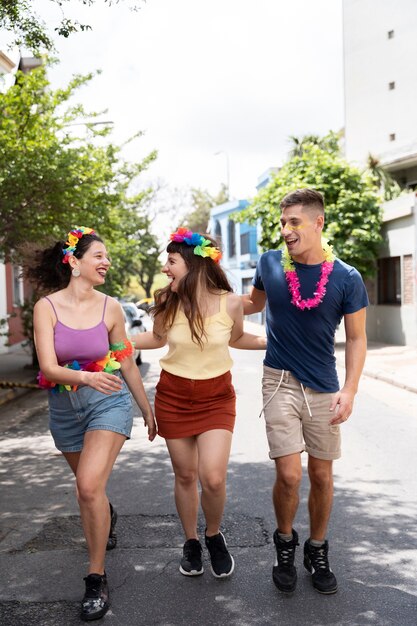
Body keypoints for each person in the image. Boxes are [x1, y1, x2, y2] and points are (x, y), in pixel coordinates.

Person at [26, 226, 156, 622]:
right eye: (98, 255)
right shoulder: (46, 308)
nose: (106, 262)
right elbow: (49, 367)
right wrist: (83, 377)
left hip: (108, 402)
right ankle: (105, 512)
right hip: (65, 409)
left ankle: (96, 577)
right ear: (74, 262)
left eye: (107, 256)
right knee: (91, 491)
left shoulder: (111, 307)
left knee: (86, 486)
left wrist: (146, 408)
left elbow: (127, 360)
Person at [242, 189, 368, 595]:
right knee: (289, 474)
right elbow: (250, 304)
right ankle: (284, 543)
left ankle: (317, 548)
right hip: (278, 379)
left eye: (294, 222)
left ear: (318, 223)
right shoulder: (269, 264)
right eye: (282, 223)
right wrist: (201, 295)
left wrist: (349, 390)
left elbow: (358, 339)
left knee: (322, 475)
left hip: (324, 387)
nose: (286, 230)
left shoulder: (347, 278)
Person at [135, 227, 266, 579]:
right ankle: (191, 540)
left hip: (216, 398)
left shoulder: (231, 302)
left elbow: (237, 338)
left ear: (192, 265)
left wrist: (276, 342)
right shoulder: (168, 302)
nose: (165, 267)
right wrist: (115, 340)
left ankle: (213, 535)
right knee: (185, 474)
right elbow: (157, 338)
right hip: (173, 397)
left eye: (171, 261)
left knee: (213, 478)